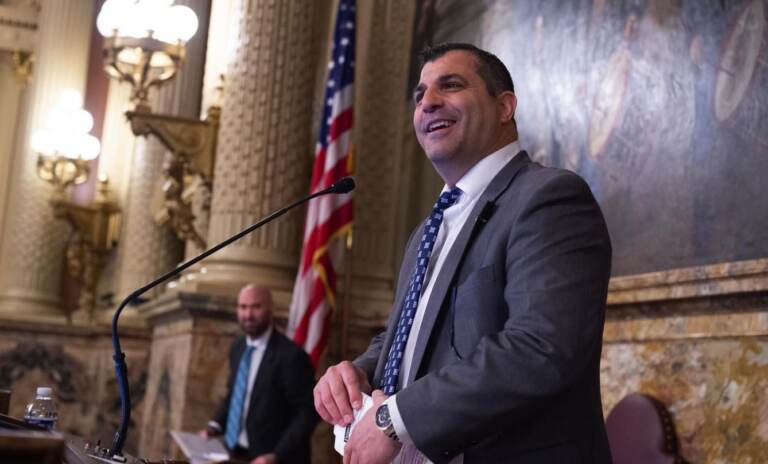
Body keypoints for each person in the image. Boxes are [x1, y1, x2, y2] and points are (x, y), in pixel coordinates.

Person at [314, 43, 613, 463]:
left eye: (450, 86)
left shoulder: (548, 198)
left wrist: (393, 420)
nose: (428, 103)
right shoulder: (427, 230)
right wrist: (358, 374)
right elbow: (408, 334)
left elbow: (541, 347)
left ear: (505, 106)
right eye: (420, 96)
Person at [201, 284, 318, 464]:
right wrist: (213, 427)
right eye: (243, 307)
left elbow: (308, 413)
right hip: (237, 452)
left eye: (256, 307)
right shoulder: (238, 348)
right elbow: (235, 394)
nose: (248, 315)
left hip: (275, 457)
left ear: (271, 309)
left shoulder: (291, 355)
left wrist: (276, 455)